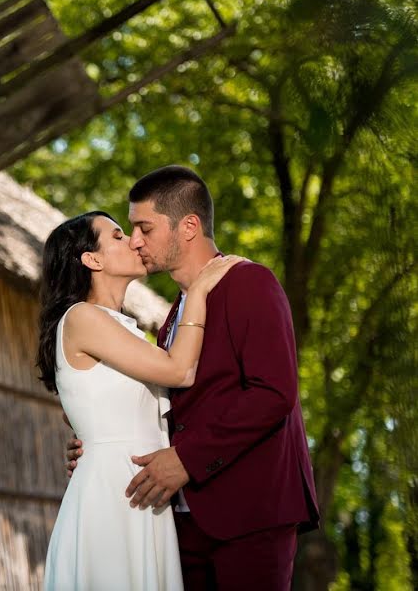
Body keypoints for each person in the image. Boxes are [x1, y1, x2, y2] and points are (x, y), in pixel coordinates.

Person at [64, 166, 320, 590]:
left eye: (144, 227)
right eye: (131, 230)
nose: (136, 240)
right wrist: (97, 447)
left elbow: (273, 393)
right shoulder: (172, 319)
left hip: (251, 515)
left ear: (188, 226)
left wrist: (187, 459)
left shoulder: (250, 282)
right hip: (185, 523)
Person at [38, 209, 245, 590]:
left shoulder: (123, 328)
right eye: (117, 236)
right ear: (92, 259)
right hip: (114, 495)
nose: (134, 240)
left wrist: (87, 436)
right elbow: (179, 371)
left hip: (144, 490)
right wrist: (198, 289)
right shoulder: (82, 317)